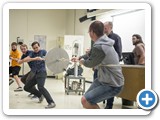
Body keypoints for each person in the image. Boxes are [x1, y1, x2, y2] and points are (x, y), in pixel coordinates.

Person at [72, 21, 124, 109]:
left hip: (113, 84)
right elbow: (92, 54)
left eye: (89, 32)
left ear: (92, 32)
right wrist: (79, 58)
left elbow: (89, 63)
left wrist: (81, 61)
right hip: (103, 79)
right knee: (85, 99)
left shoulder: (100, 46)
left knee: (85, 100)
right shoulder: (104, 42)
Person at [19, 41, 56, 109]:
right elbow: (26, 59)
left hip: (42, 72)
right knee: (26, 87)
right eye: (34, 48)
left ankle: (51, 102)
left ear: (39, 46)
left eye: (37, 47)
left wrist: (43, 58)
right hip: (35, 74)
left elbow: (48, 58)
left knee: (40, 87)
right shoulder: (32, 53)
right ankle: (40, 95)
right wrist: (35, 58)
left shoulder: (43, 51)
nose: (36, 49)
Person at [99, 21, 122, 109]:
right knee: (98, 82)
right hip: (101, 66)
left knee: (110, 85)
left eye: (105, 28)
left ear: (110, 28)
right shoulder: (102, 38)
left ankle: (109, 105)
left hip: (111, 68)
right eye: (103, 28)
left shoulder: (116, 38)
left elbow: (118, 53)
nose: (104, 30)